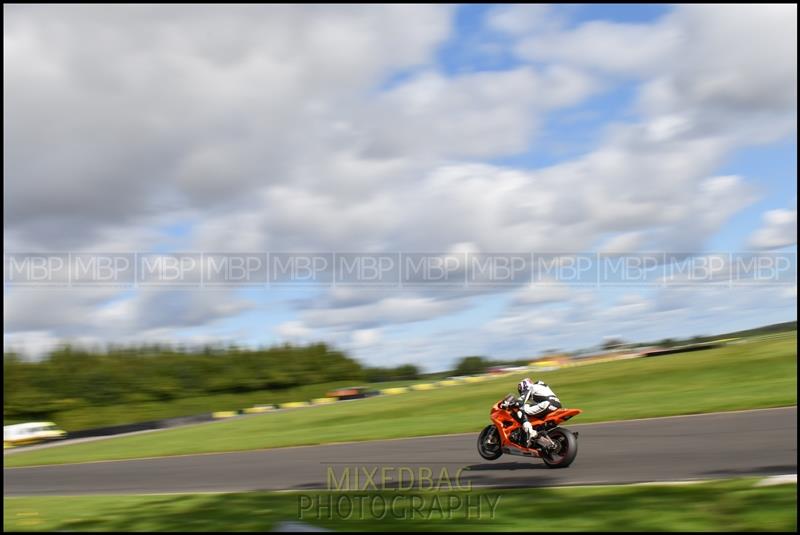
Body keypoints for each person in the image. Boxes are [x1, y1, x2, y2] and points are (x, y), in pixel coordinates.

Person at [511, 377, 562, 448]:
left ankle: (530, 433)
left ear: (524, 385)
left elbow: (521, 401)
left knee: (522, 408)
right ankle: (553, 436)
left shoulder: (530, 387)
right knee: (541, 422)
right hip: (557, 405)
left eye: (521, 389)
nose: (521, 392)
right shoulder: (542, 387)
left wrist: (512, 403)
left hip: (547, 404)